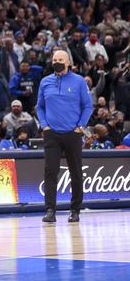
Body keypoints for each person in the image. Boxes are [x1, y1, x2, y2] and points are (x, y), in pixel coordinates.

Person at [37, 50, 93, 224]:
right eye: (54, 60)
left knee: (76, 173)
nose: (57, 62)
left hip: (72, 134)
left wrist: (80, 126)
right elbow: (40, 107)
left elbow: (88, 106)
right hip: (52, 134)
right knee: (50, 172)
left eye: (60, 59)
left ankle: (75, 210)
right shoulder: (45, 82)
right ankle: (50, 210)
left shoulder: (78, 81)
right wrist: (44, 125)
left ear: (68, 62)